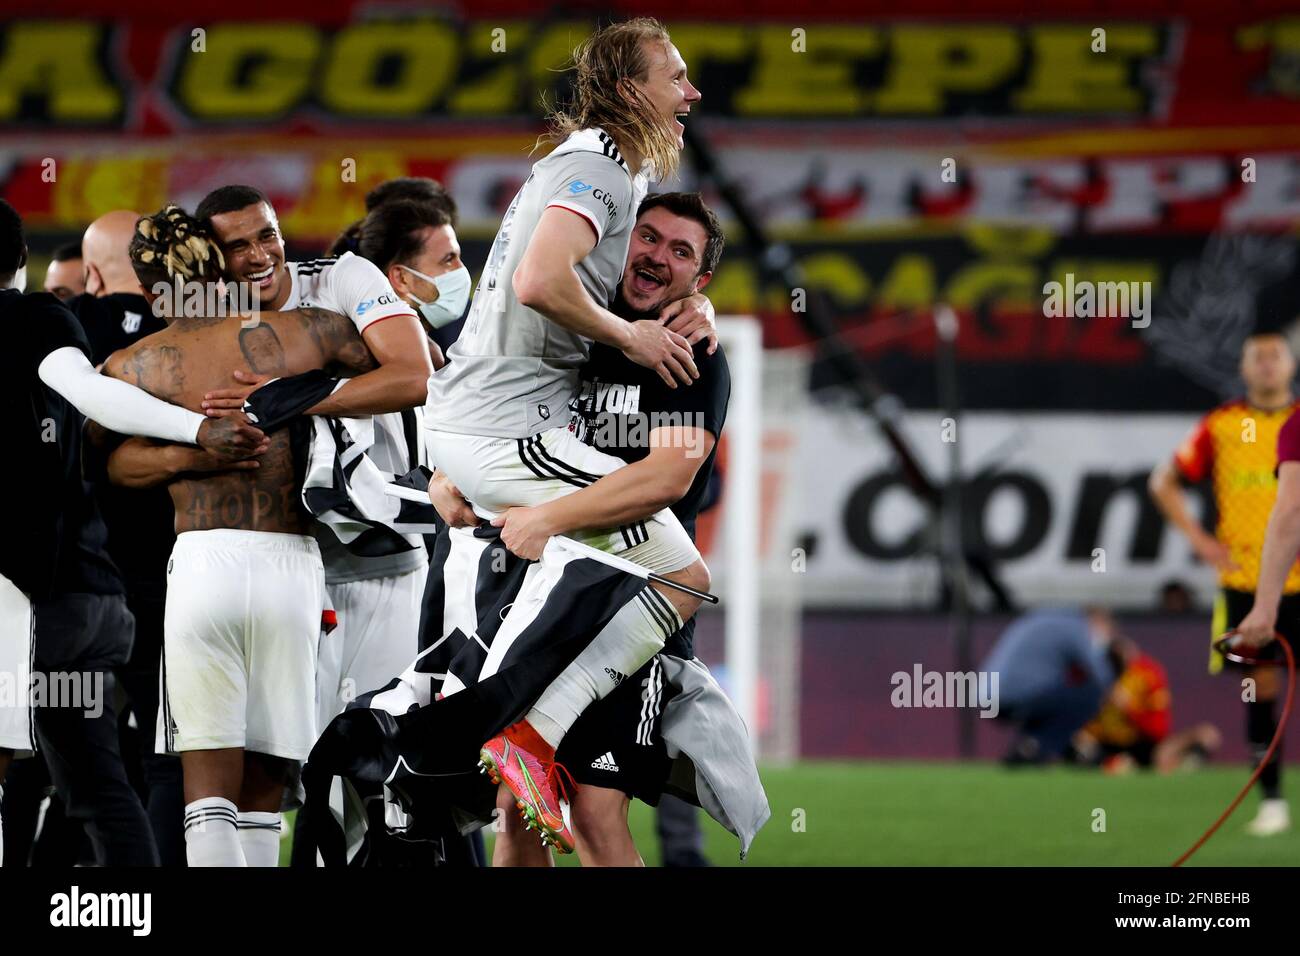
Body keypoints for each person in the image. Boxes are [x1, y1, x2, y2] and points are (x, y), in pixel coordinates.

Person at [421, 17, 715, 855]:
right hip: (507, 425)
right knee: (684, 575)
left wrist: (676, 314)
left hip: (487, 427)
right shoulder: (602, 166)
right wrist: (633, 339)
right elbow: (540, 279)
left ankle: (516, 734)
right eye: (676, 77)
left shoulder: (581, 161)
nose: (690, 93)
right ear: (631, 91)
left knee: (661, 576)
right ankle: (519, 730)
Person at [90, 204, 380, 866]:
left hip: (200, 565)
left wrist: (191, 450)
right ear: (223, 263)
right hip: (293, 567)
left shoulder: (136, 365)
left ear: (149, 283)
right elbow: (419, 366)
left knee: (206, 790)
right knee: (264, 788)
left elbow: (104, 460)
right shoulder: (309, 331)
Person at [0, 199, 158, 867]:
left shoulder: (45, 318)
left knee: (23, 771)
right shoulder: (195, 330)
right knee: (100, 781)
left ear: (90, 278)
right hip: (112, 591)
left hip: (31, 596)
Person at [1149, 332, 1299, 835]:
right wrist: (1198, 538)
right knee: (1261, 692)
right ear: (1242, 368)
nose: (1266, 365)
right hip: (1247, 585)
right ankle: (1273, 801)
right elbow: (1161, 481)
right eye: (1256, 357)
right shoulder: (1223, 426)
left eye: (1274, 355)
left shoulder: (1296, 423)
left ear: (1290, 363)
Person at [981, 607, 1119, 764]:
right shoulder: (1076, 628)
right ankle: (1038, 747)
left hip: (985, 696)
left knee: (1052, 700)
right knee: (1089, 693)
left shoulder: (1043, 619)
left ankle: (1028, 747)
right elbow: (1101, 674)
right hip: (1017, 694)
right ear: (1098, 622)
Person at [1071, 638, 1221, 774]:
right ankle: (1116, 763)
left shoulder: (1149, 673)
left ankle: (1175, 763)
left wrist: (1128, 708)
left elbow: (1158, 729)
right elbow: (1084, 719)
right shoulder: (1096, 676)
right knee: (1079, 744)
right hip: (1106, 744)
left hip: (1142, 743)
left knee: (1205, 736)